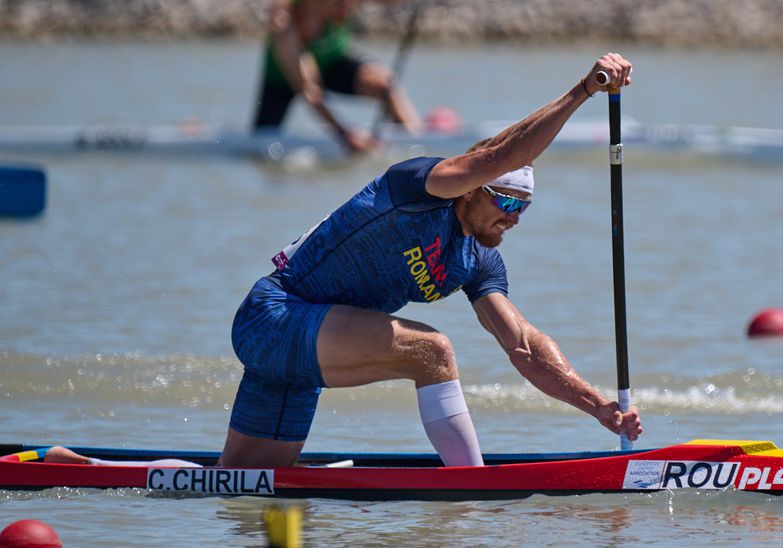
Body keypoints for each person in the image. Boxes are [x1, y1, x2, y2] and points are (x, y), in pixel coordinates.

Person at [222, 53, 642, 468]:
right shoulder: (418, 189)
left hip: (303, 355)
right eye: (507, 200)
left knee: (247, 483)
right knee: (432, 350)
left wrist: (598, 406)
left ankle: (162, 481)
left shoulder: (477, 261)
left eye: (524, 207)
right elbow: (497, 157)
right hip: (274, 317)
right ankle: (470, 482)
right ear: (471, 188)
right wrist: (585, 90)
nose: (513, 217)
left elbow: (525, 347)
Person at [253, 0, 453, 152]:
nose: (348, 7)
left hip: (331, 62)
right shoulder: (286, 23)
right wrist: (344, 135)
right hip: (283, 78)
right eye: (340, 3)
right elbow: (310, 90)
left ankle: (416, 144)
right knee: (261, 143)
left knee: (385, 86)